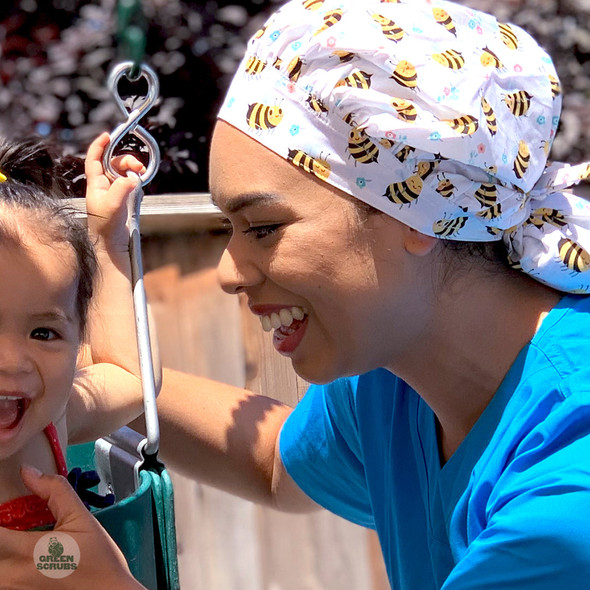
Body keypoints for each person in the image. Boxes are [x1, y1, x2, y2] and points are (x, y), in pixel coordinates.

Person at [3, 0, 590, 588]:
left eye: (262, 227)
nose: (229, 273)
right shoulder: (397, 381)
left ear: (416, 212)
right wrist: (37, 366)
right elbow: (278, 464)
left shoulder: (566, 508)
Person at [0, 133, 153, 533]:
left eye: (43, 333)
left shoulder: (54, 416)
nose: (12, 359)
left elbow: (131, 377)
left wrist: (109, 240)